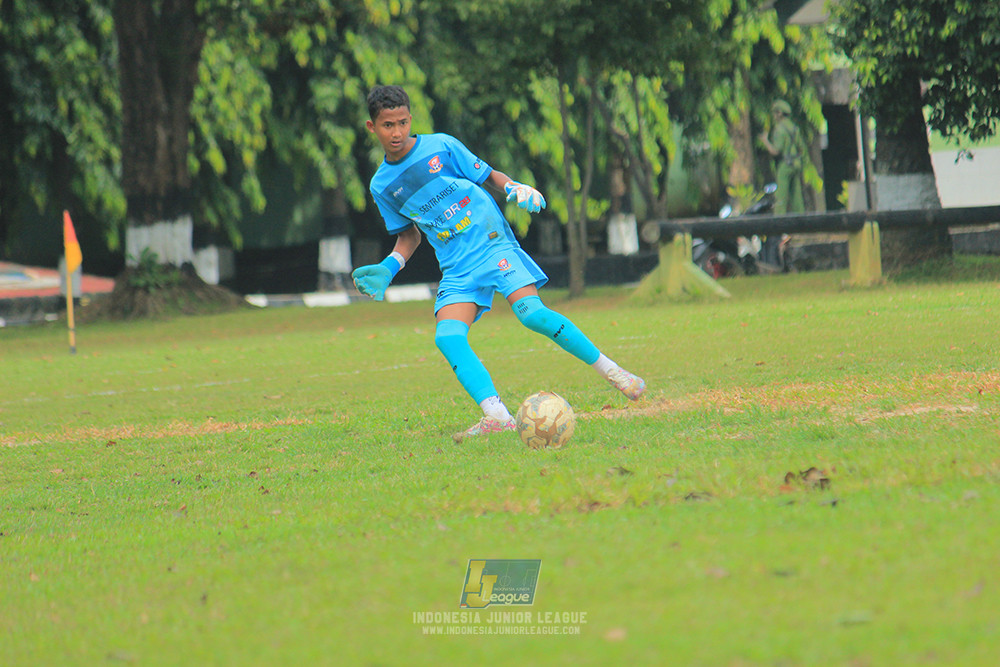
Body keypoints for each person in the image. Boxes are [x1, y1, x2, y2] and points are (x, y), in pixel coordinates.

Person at [353, 85, 646, 442]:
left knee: (531, 313)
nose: (396, 132)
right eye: (387, 125)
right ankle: (497, 416)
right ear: (372, 127)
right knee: (447, 337)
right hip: (456, 267)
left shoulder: (441, 146)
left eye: (401, 122)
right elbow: (409, 236)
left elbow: (488, 176)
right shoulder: (382, 185)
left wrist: (513, 188)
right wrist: (389, 268)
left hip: (492, 244)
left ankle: (615, 373)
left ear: (410, 119)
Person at [758, 99, 805, 268]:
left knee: (781, 199)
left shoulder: (779, 130)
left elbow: (775, 151)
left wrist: (765, 140)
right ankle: (804, 227)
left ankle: (778, 228)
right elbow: (801, 149)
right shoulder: (794, 128)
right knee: (797, 197)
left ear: (778, 113)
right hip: (796, 164)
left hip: (785, 165)